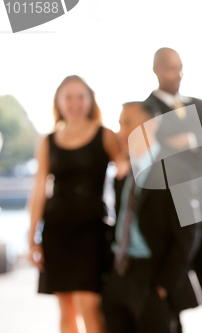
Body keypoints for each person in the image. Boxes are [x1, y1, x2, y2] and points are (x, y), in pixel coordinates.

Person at [27, 75, 128, 333]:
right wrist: (32, 238)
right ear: (58, 102)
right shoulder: (47, 141)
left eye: (80, 96)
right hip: (57, 231)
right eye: (68, 97)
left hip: (92, 230)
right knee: (66, 310)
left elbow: (125, 173)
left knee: (90, 306)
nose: (74, 102)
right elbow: (39, 191)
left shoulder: (104, 135)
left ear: (90, 100)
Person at [144, 47, 202, 316]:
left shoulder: (200, 106)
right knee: (168, 301)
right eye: (172, 68)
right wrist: (195, 139)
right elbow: (148, 150)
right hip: (170, 219)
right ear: (156, 70)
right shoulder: (146, 110)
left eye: (180, 67)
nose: (178, 74)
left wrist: (190, 140)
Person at [101, 102, 200, 333]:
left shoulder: (176, 171)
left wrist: (164, 285)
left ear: (151, 125)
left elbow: (189, 234)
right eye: (119, 124)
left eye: (128, 123)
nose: (121, 131)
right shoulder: (124, 174)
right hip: (119, 274)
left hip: (153, 277)